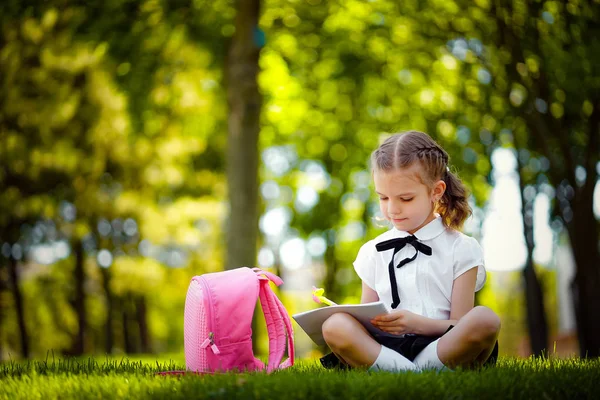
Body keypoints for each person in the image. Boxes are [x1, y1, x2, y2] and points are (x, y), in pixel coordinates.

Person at [321, 130, 500, 372]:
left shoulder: (462, 248)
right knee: (334, 324)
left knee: (485, 319)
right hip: (386, 348)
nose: (392, 209)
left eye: (405, 198)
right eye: (383, 198)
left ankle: (406, 371)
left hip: (442, 343)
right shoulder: (372, 251)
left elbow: (460, 323)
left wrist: (416, 324)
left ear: (436, 191)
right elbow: (367, 322)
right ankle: (406, 372)